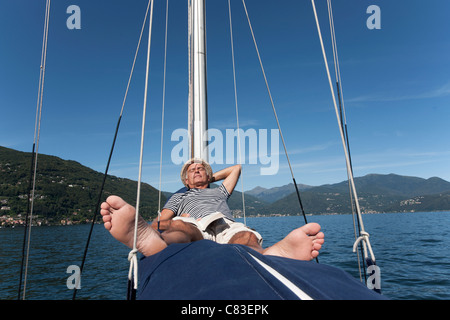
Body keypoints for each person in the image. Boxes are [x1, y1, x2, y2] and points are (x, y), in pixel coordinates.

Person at [100, 158, 324, 260]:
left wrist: (207, 177)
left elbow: (236, 168)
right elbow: (161, 220)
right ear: (185, 180)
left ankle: (266, 257)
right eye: (192, 170)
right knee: (179, 227)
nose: (196, 170)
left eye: (200, 169)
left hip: (225, 224)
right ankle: (154, 242)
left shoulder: (219, 191)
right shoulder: (180, 196)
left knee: (245, 235)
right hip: (194, 223)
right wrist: (153, 227)